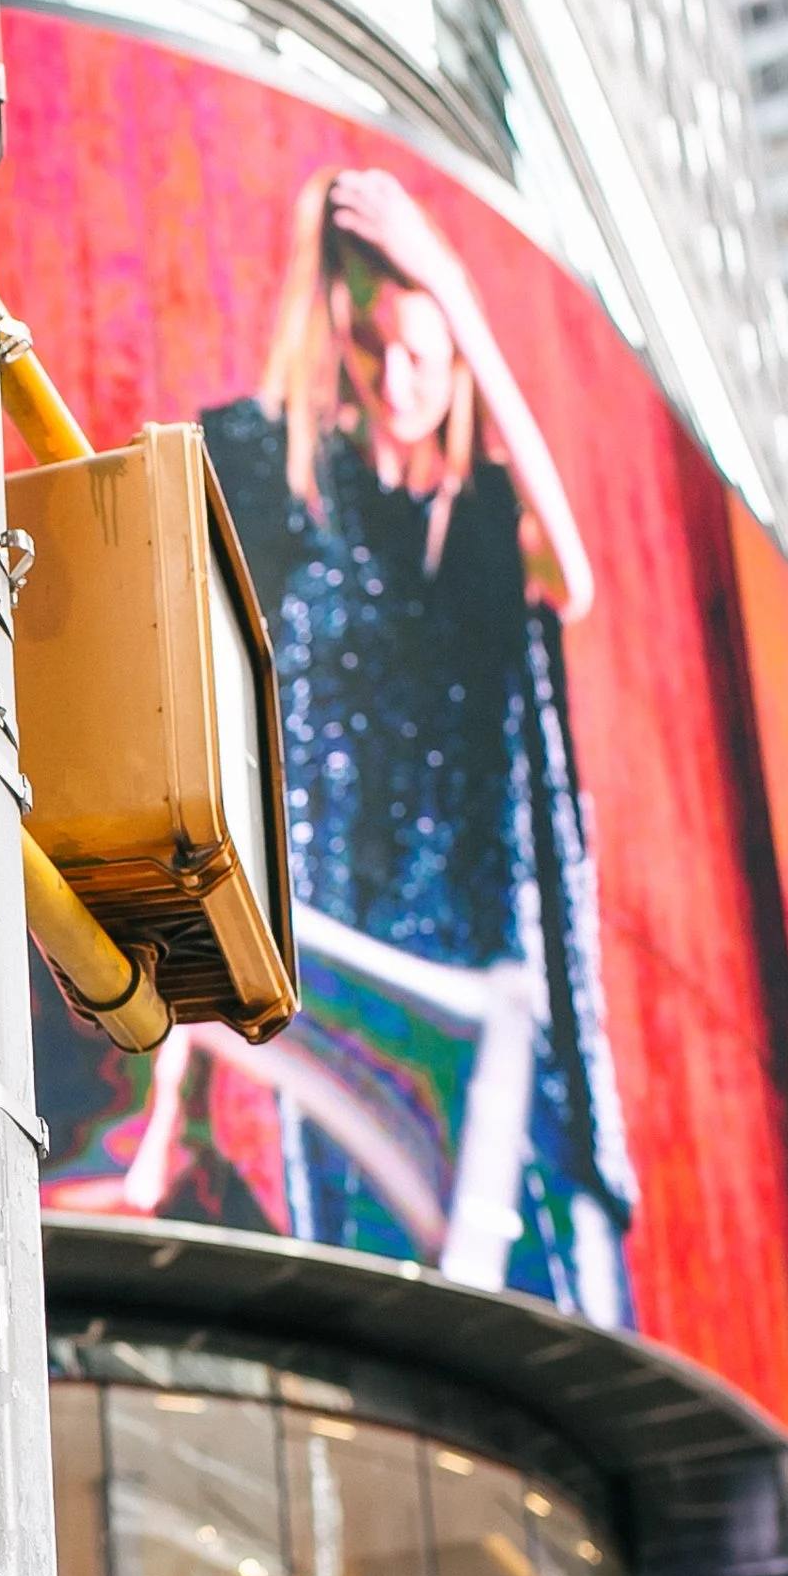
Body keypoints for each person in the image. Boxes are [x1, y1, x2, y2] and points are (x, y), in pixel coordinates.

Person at [191, 163, 635, 1317]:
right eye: (376, 352)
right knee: (378, 1312)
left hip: (496, 988)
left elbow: (572, 576)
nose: (399, 383)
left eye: (426, 359)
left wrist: (455, 289)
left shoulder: (482, 520)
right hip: (353, 982)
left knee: (550, 1307)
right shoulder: (278, 479)